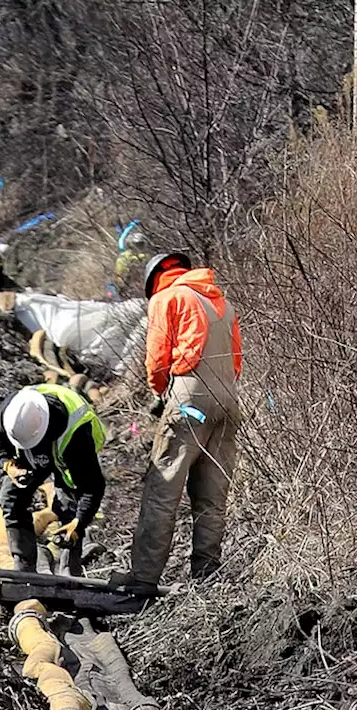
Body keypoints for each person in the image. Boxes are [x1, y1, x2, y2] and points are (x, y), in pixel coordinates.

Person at [109, 252, 243, 594]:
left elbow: (156, 359)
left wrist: (161, 392)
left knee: (162, 490)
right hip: (228, 401)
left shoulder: (166, 298)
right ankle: (207, 575)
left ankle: (143, 578)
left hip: (189, 397)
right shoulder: (221, 303)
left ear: (155, 279)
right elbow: (237, 360)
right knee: (211, 495)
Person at [0, 385, 108, 577]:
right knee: (10, 498)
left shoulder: (77, 435)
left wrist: (79, 522)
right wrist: (8, 464)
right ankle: (24, 568)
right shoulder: (9, 413)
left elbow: (92, 487)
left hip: (68, 454)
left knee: (68, 505)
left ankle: (69, 571)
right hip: (28, 455)